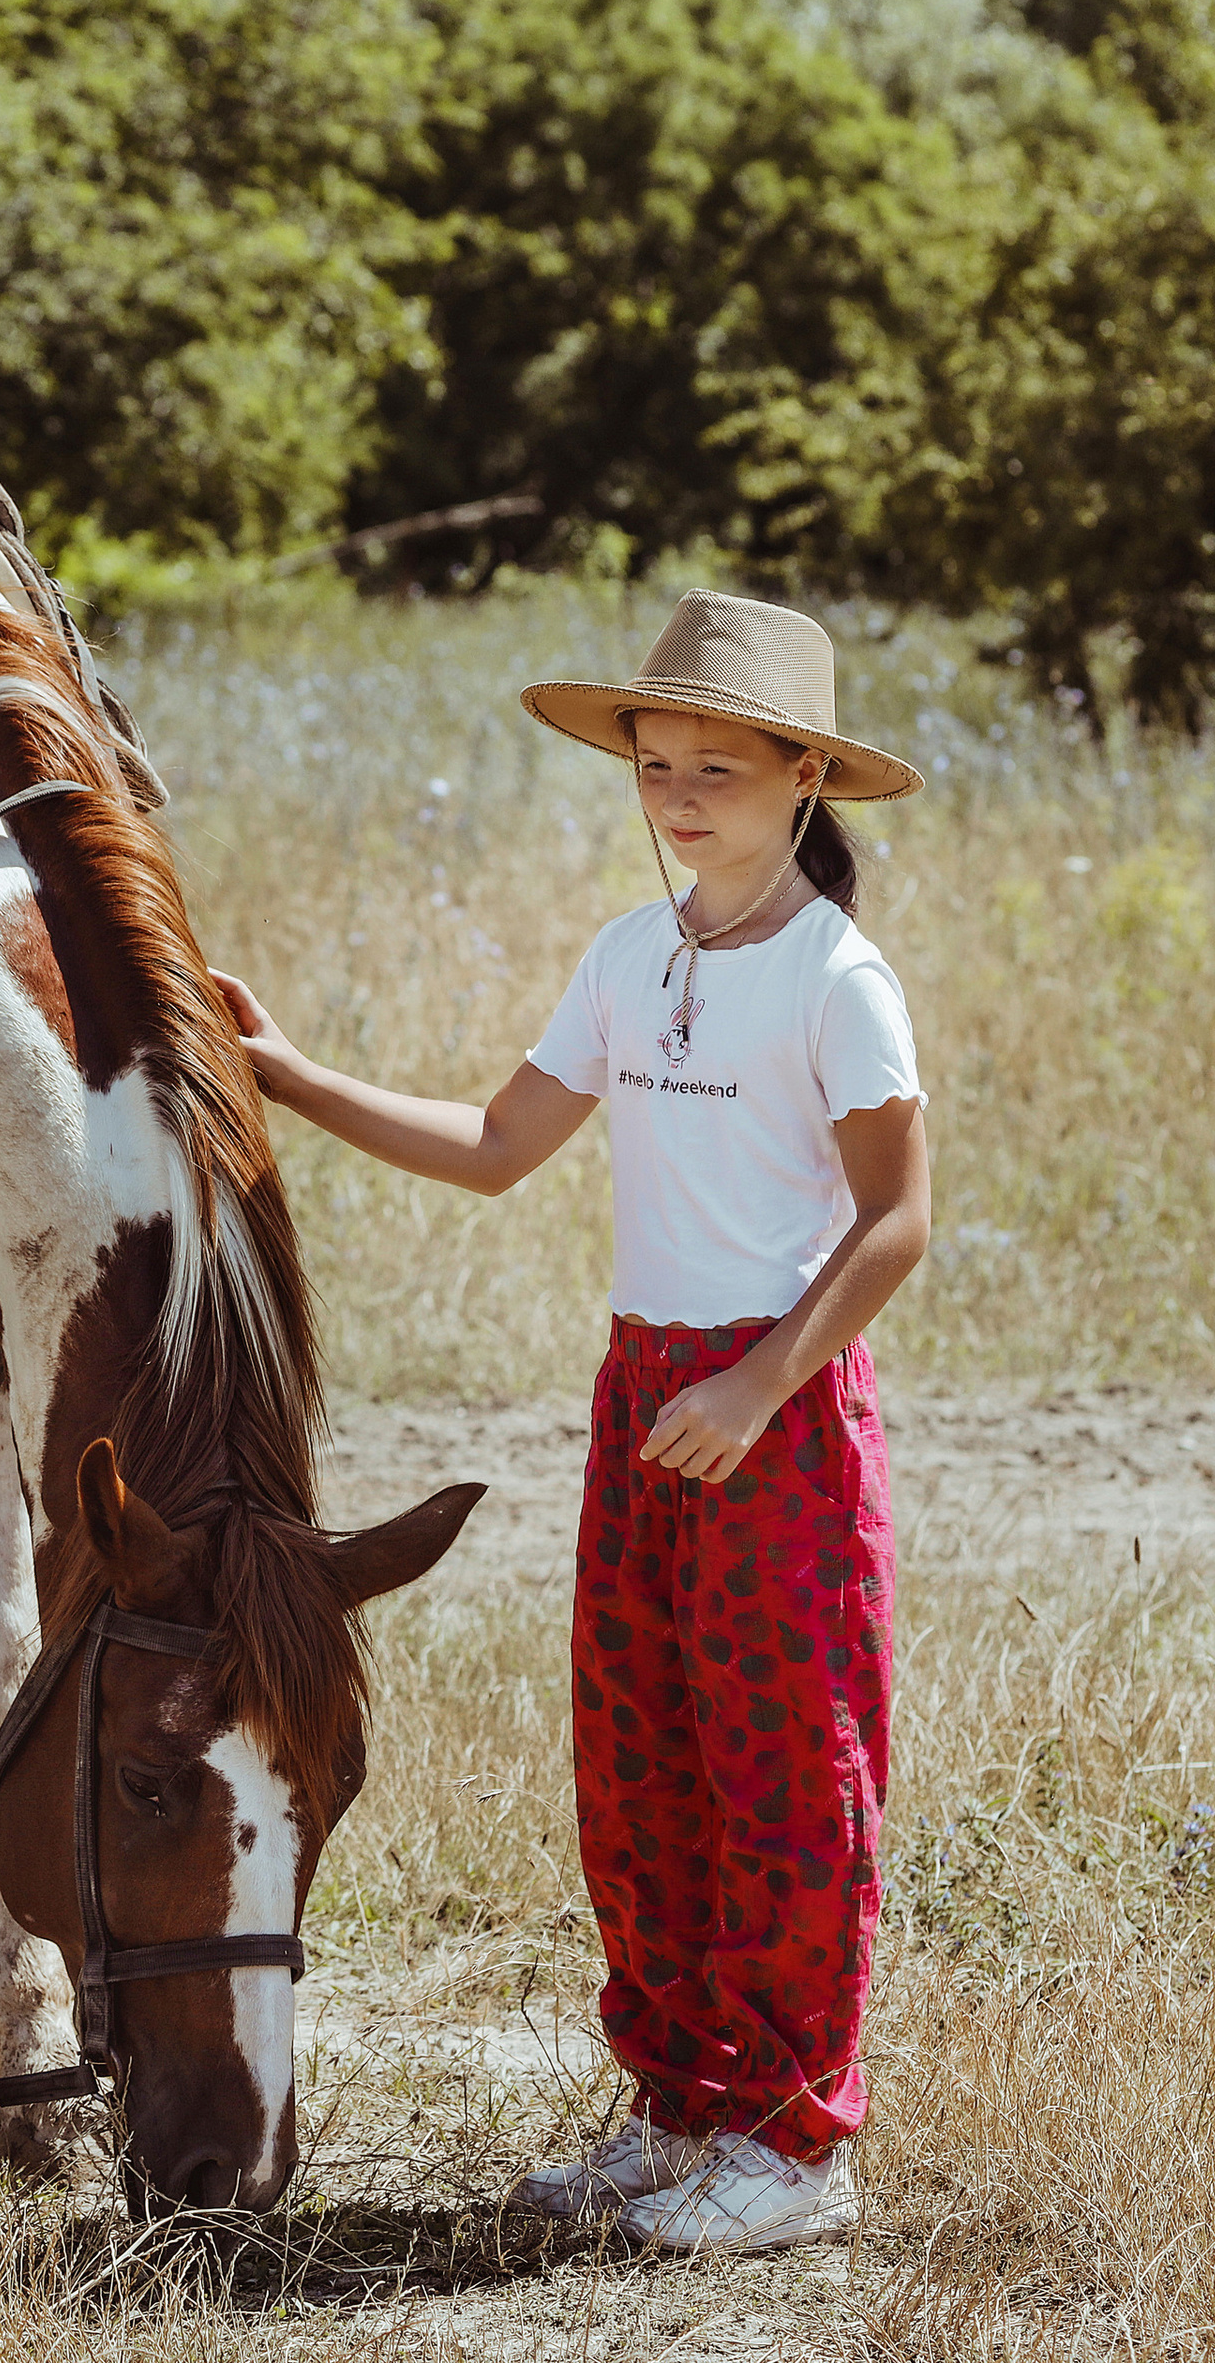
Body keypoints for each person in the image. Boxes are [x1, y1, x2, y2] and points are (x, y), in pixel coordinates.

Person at [215, 590, 931, 2255]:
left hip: (776, 1401)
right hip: (640, 1394)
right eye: (657, 764)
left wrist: (760, 1385)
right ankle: (682, 2111)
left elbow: (895, 1222)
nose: (680, 796)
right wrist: (298, 1075)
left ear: (807, 774)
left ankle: (794, 2148)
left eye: (721, 770)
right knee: (641, 1759)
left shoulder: (843, 976)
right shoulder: (634, 951)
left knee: (785, 1766)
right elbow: (489, 1140)